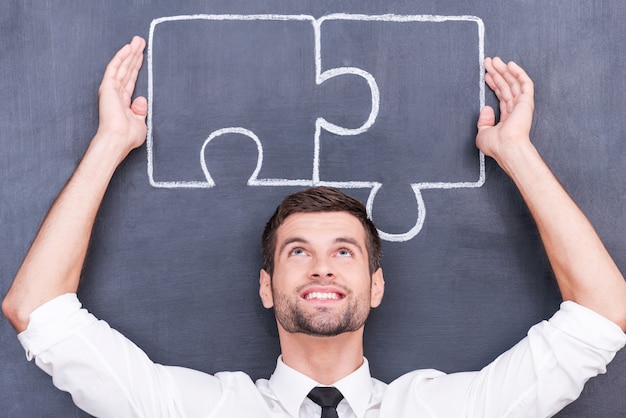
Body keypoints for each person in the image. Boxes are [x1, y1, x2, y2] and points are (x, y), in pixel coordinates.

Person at [3, 36, 626, 418]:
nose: (322, 265)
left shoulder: (447, 410)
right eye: (297, 251)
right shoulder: (198, 410)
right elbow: (36, 309)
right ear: (267, 286)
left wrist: (515, 151)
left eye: (344, 251)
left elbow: (604, 312)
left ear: (376, 285)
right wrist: (113, 141)